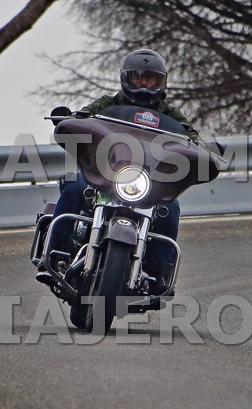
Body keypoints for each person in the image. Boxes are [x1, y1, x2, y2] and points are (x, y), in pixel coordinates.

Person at [45, 49, 202, 291]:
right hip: (105, 174)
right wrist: (71, 119)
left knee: (170, 209)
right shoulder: (108, 103)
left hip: (148, 181)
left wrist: (201, 150)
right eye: (137, 78)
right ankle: (56, 250)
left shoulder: (171, 115)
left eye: (150, 79)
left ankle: (159, 271)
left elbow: (192, 138)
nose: (143, 85)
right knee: (75, 186)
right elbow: (83, 116)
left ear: (161, 82)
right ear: (126, 79)